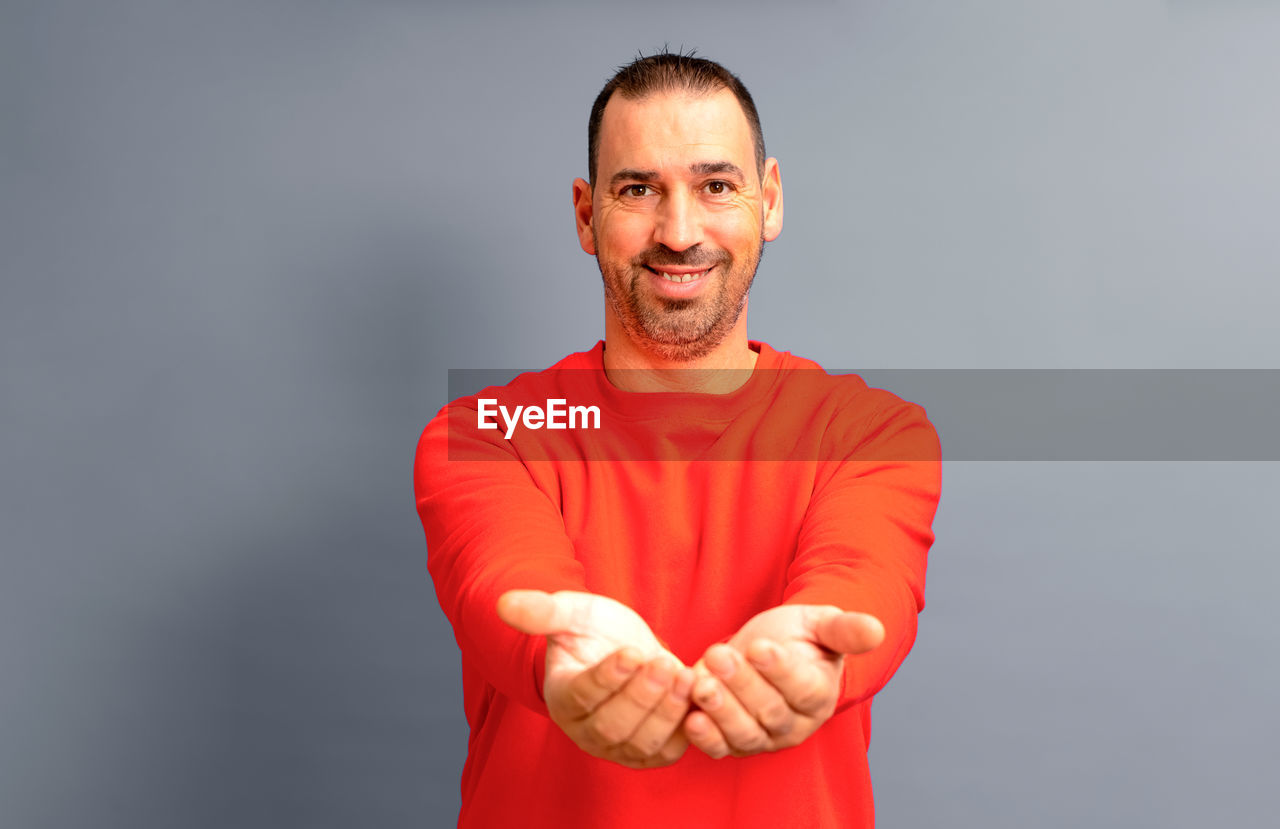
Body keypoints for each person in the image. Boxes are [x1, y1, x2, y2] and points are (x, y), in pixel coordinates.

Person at [415, 51, 941, 828]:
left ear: (769, 201)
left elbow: (862, 582)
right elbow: (505, 583)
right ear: (587, 215)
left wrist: (813, 655)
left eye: (716, 185)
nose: (679, 231)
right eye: (638, 190)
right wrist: (568, 654)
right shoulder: (490, 432)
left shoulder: (868, 433)